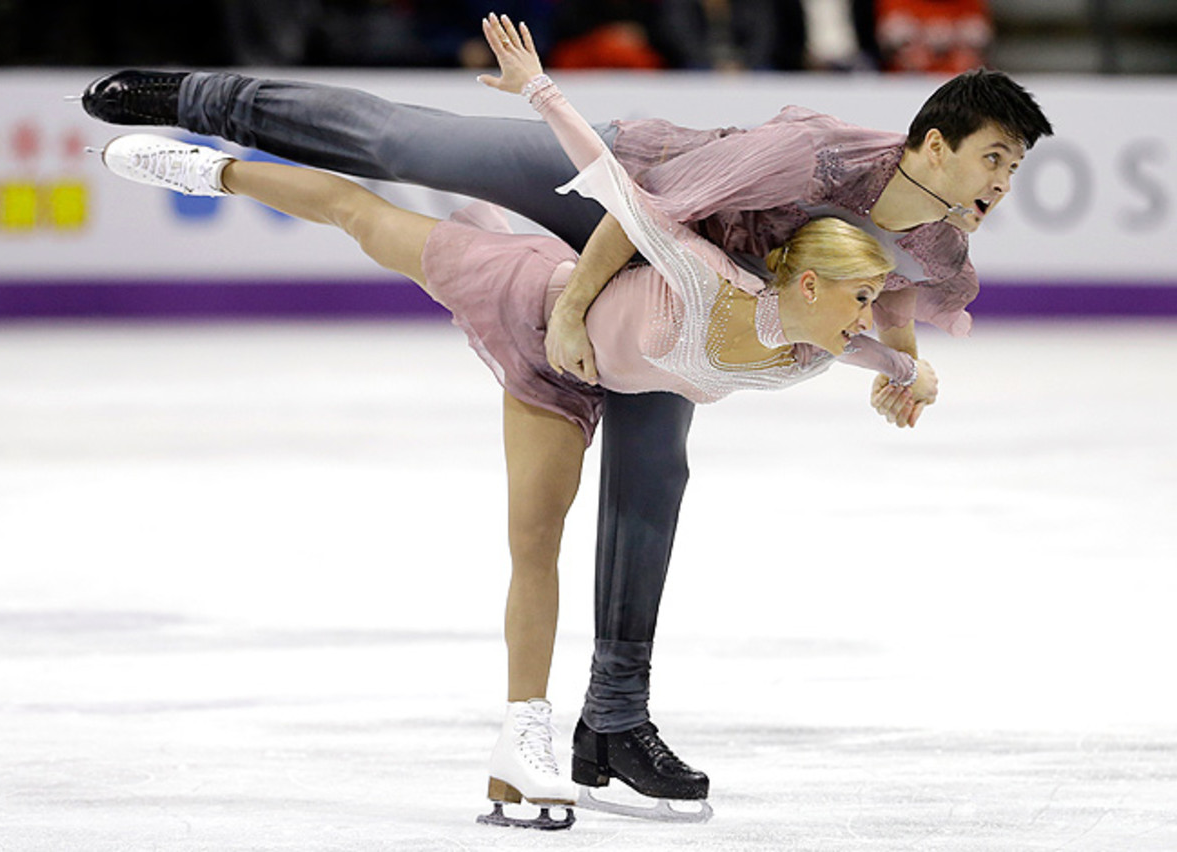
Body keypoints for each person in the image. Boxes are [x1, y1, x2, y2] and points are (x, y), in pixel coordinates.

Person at [79, 17, 1052, 820]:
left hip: (683, 294)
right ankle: (202, 101)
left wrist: (904, 367)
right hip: (623, 196)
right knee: (408, 144)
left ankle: (614, 721)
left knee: (655, 471)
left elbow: (893, 299)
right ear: (932, 145)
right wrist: (576, 310)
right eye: (993, 161)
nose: (1002, 188)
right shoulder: (813, 153)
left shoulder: (943, 243)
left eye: (1015, 172)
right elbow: (641, 211)